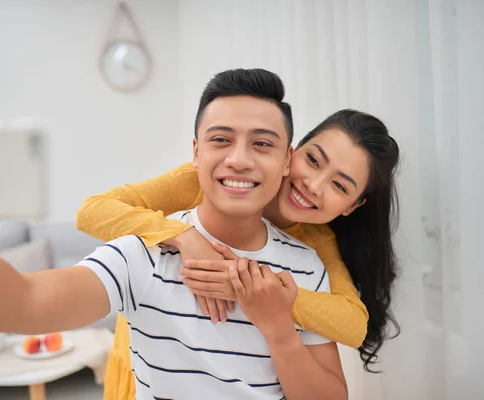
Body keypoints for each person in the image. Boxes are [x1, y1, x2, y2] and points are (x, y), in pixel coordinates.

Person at [0, 69, 348, 399]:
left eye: (262, 144)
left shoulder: (305, 265)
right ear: (194, 152)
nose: (239, 159)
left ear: (287, 160)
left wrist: (278, 329)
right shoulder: (144, 256)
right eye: (220, 139)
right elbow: (19, 303)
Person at [76, 80, 401, 398]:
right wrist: (184, 236)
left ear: (352, 207)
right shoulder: (207, 180)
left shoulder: (318, 239)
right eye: (313, 160)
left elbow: (354, 324)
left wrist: (250, 287)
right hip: (153, 360)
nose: (314, 185)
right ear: (293, 151)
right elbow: (92, 210)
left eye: (340, 186)